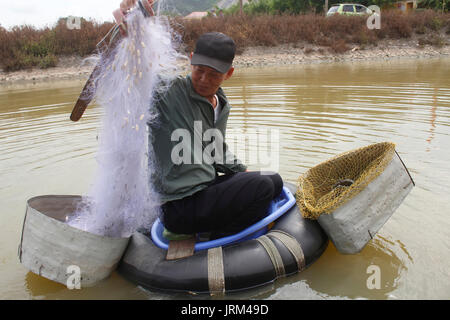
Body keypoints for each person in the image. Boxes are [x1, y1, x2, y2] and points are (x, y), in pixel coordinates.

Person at [149, 31, 283, 239]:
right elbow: (136, 73)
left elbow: (216, 151)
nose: (203, 80)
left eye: (213, 75)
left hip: (203, 189)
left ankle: (219, 226)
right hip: (178, 204)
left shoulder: (221, 105)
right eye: (199, 70)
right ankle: (221, 237)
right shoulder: (169, 92)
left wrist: (243, 172)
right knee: (262, 187)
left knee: (273, 180)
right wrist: (128, 27)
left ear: (228, 73)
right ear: (191, 59)